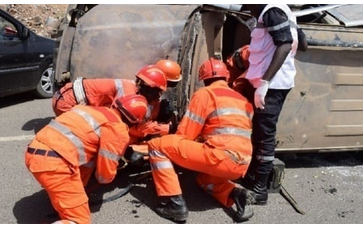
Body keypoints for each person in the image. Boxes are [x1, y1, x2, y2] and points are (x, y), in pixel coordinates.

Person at [146, 58, 255, 222]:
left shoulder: (206, 94)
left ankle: (173, 204)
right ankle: (236, 194)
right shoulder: (243, 100)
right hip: (242, 164)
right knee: (204, 180)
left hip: (220, 156)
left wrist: (161, 135)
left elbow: (185, 135)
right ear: (226, 77)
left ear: (204, 79)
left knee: (157, 146)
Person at [25, 94, 148, 224]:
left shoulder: (92, 109)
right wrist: (117, 165)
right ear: (134, 121)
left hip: (34, 152)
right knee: (79, 221)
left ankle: (70, 195)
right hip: (54, 164)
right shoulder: (117, 129)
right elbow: (104, 176)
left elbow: (88, 152)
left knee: (89, 160)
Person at [241, 4, 300, 205]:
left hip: (272, 86)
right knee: (259, 132)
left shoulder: (272, 11)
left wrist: (265, 83)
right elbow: (303, 44)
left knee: (265, 135)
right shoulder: (286, 12)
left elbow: (284, 44)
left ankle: (260, 190)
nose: (249, 11)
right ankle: (252, 178)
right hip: (275, 84)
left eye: (249, 6)